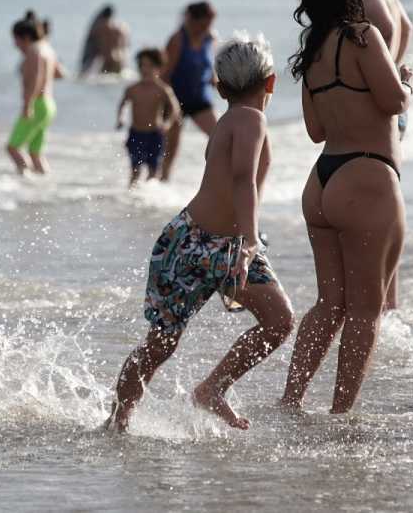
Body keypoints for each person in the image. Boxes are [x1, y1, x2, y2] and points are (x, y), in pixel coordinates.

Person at [106, 33, 293, 432]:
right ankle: (207, 391)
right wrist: (249, 244)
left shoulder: (230, 119)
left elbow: (239, 182)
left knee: (161, 342)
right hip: (219, 245)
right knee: (278, 321)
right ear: (272, 82)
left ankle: (120, 419)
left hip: (188, 239)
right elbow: (244, 180)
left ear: (220, 87)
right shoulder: (252, 119)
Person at [279, 0, 413, 414]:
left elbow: (316, 130)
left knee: (328, 304)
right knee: (364, 310)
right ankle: (341, 414)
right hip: (367, 174)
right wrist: (407, 86)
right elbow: (393, 100)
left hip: (322, 181)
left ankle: (291, 399)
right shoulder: (363, 36)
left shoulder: (310, 53)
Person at [332, 0, 413, 309]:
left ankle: (378, 305)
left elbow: (376, 31)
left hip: (376, 108)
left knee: (371, 208)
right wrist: (394, 72)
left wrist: (371, 80)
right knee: (386, 204)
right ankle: (387, 304)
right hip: (389, 102)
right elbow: (407, 27)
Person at [160, 1, 218, 181]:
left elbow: (211, 70)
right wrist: (163, 103)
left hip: (200, 99)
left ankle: (217, 178)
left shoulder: (211, 38)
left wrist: (221, 84)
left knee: (219, 136)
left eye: (210, 22)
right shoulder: (177, 39)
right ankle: (162, 183)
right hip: (175, 100)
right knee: (171, 148)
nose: (207, 26)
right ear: (192, 20)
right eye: (204, 22)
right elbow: (164, 75)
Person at [115, 48, 180, 187]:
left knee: (153, 169)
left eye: (150, 65)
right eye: (142, 65)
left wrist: (167, 123)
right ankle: (131, 195)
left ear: (159, 68)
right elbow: (122, 104)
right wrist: (120, 118)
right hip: (136, 133)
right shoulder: (132, 89)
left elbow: (175, 109)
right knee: (135, 169)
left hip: (155, 134)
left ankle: (150, 198)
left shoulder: (162, 89)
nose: (145, 69)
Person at [6, 11, 60, 175]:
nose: (15, 44)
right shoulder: (48, 49)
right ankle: (43, 185)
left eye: (16, 39)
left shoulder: (33, 51)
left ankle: (26, 182)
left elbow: (37, 78)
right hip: (49, 104)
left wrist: (27, 104)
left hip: (36, 104)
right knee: (35, 152)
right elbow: (59, 74)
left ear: (25, 37)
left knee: (13, 147)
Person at [80, 5, 130, 76]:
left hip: (106, 60)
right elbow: (125, 46)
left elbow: (99, 47)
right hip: (119, 58)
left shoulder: (100, 28)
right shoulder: (121, 27)